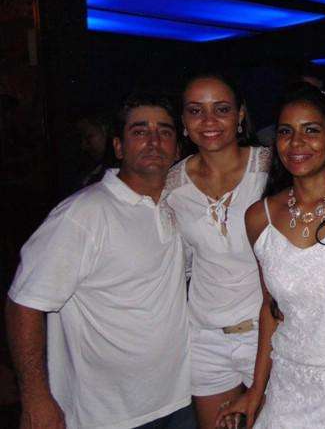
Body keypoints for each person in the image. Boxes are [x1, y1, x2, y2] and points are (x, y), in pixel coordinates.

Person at [6, 92, 193, 428]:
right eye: (140, 131)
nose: (154, 141)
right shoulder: (84, 214)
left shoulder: (180, 205)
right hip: (106, 414)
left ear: (177, 149)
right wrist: (35, 396)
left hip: (180, 399)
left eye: (164, 132)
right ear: (118, 147)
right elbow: (23, 304)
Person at [218, 83, 325, 429]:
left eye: (311, 130)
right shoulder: (259, 216)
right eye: (286, 132)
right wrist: (257, 390)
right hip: (286, 385)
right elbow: (270, 309)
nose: (296, 142)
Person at [164, 73, 270, 429]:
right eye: (196, 110)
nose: (208, 121)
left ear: (240, 114)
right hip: (205, 338)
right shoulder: (172, 185)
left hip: (267, 333)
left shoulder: (271, 169)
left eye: (221, 109)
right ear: (183, 121)